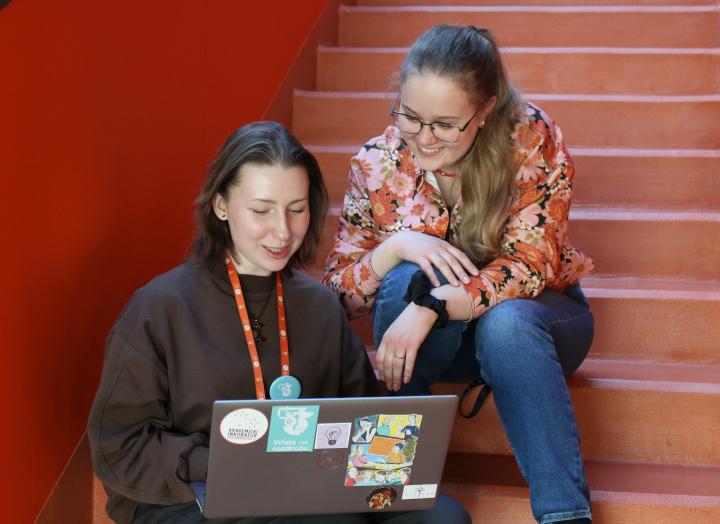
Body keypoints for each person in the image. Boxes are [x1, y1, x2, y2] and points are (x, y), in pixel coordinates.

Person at [88, 122, 470, 524]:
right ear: (221, 205)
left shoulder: (320, 306)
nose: (283, 231)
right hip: (196, 497)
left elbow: (359, 419)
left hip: (308, 490)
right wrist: (234, 463)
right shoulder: (159, 308)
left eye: (297, 209)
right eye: (261, 210)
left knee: (443, 518)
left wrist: (397, 449)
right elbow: (121, 448)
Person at [324, 25, 594, 524]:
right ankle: (387, 494)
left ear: (485, 109)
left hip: (538, 327)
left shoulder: (532, 141)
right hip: (424, 349)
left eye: (445, 124)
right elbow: (338, 297)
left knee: (506, 323)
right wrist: (395, 247)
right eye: (409, 116)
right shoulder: (376, 163)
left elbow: (531, 265)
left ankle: (565, 516)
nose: (424, 139)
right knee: (404, 274)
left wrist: (434, 305)